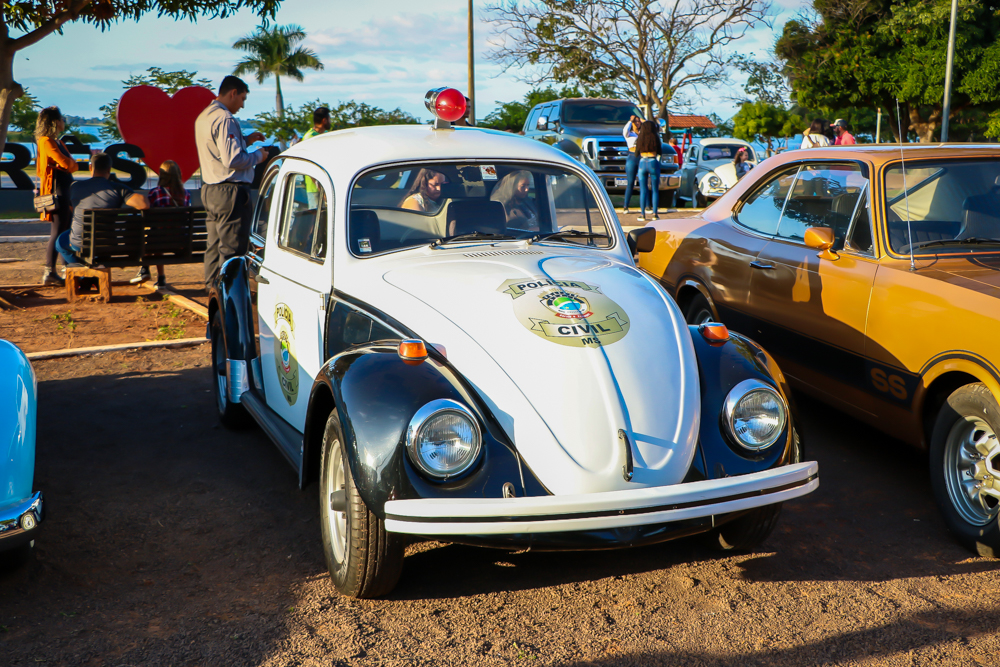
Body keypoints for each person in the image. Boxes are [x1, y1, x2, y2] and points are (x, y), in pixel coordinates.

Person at [194, 75, 267, 290]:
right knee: (232, 250)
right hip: (230, 192)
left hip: (210, 189)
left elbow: (217, 149)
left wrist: (246, 140)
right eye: (243, 99)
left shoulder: (204, 116)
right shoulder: (225, 118)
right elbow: (233, 160)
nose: (242, 105)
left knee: (214, 247)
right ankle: (229, 296)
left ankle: (212, 291)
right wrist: (258, 156)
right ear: (233, 93)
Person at [55, 152, 149, 268]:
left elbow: (72, 209)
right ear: (109, 169)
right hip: (108, 242)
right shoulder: (118, 188)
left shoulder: (75, 186)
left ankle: (82, 272)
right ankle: (89, 273)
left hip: (81, 243)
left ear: (90, 168)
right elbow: (144, 204)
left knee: (60, 242)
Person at [35, 106, 79, 286]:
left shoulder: (57, 142)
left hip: (64, 190)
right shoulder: (46, 141)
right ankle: (49, 271)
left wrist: (70, 164)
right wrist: (70, 164)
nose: (63, 121)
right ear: (54, 122)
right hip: (56, 192)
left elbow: (70, 165)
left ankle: (65, 268)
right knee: (58, 231)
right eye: (61, 118)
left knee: (65, 230)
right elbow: (68, 164)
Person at [130, 160, 191, 287]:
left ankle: (145, 269)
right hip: (180, 241)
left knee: (155, 235)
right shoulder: (186, 194)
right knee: (160, 234)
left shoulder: (155, 192)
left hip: (158, 241)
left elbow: (147, 216)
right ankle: (160, 278)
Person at [635, 120, 662, 222]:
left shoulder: (640, 138)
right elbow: (660, 151)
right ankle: (655, 214)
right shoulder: (655, 137)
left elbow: (636, 154)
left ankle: (642, 214)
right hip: (653, 161)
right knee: (655, 189)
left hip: (642, 162)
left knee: (643, 190)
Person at [621, 115, 641, 214]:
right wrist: (630, 121)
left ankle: (647, 206)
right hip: (632, 156)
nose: (637, 123)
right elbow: (624, 131)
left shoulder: (642, 133)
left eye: (638, 121)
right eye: (635, 122)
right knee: (630, 182)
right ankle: (626, 206)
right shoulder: (630, 134)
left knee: (643, 182)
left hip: (641, 157)